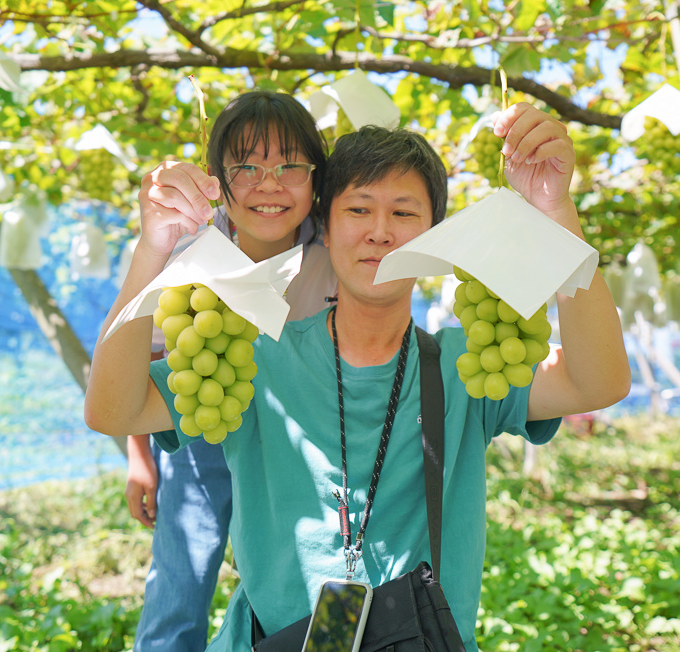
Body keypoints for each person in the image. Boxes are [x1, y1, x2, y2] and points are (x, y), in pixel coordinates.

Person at [86, 104, 631, 650]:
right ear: (324, 225)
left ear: (435, 236)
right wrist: (153, 249)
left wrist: (555, 211)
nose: (378, 232)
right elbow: (112, 411)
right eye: (359, 209)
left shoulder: (465, 367)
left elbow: (597, 381)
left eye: (403, 213)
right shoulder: (255, 361)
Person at [122, 89, 336, 651]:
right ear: (217, 178)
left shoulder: (338, 255)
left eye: (291, 164)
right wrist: (139, 457)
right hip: (200, 434)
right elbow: (136, 360)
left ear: (317, 176)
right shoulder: (185, 254)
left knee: (299, 590)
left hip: (302, 445)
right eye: (248, 166)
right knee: (178, 589)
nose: (270, 183)